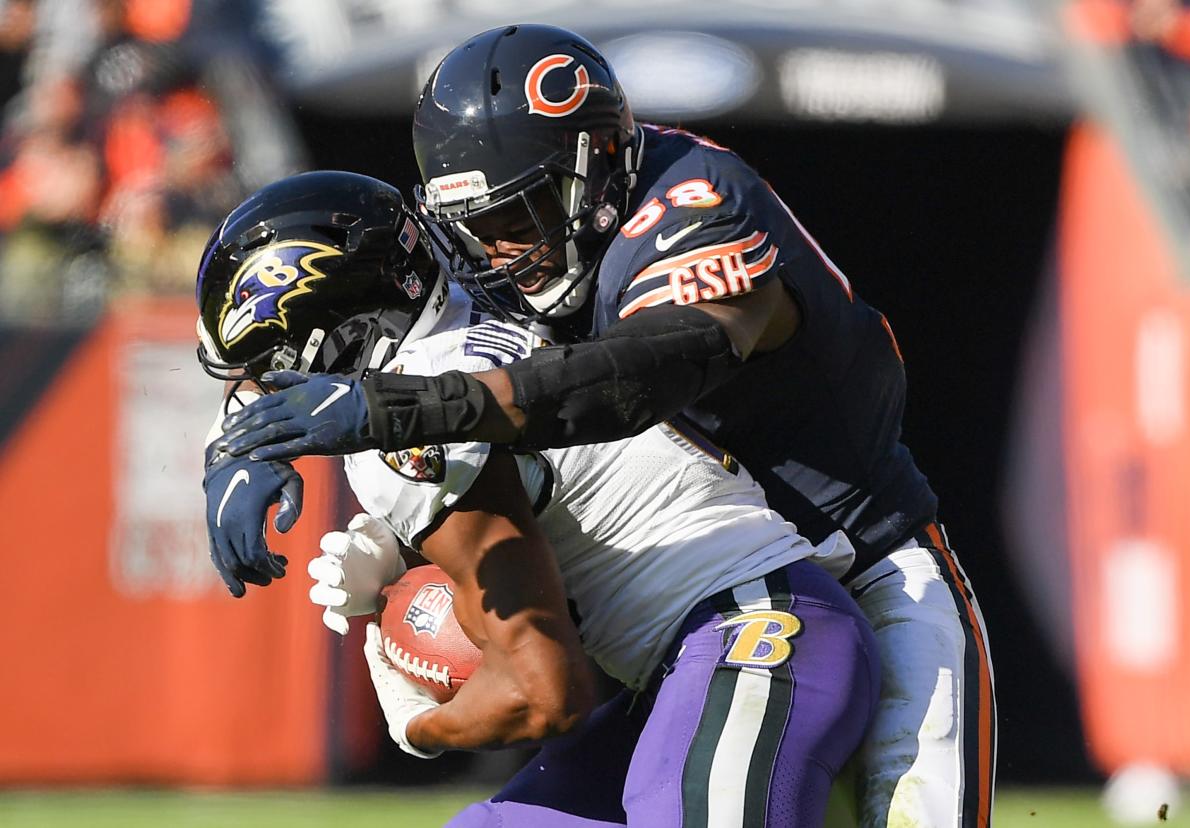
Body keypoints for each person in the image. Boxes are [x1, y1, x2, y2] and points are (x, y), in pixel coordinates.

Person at [212, 24, 995, 827]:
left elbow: (634, 378)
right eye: (476, 225)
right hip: (689, 622)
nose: (497, 250)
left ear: (601, 162)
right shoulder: (502, 241)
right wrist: (242, 438)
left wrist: (393, 415)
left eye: (524, 213)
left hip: (865, 567)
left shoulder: (694, 205)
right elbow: (332, 289)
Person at [196, 169, 880, 827]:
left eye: (266, 368)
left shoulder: (410, 436)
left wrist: (418, 722)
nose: (255, 392)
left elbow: (542, 695)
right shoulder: (475, 312)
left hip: (755, 634)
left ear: (328, 344)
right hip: (698, 660)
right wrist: (394, 545)